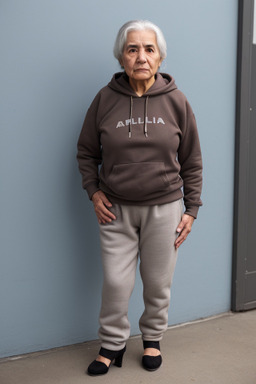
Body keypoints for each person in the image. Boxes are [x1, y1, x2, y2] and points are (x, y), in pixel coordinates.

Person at [77, 20, 203, 376]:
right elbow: (86, 152)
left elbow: (192, 158)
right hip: (115, 209)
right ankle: (112, 344)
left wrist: (191, 208)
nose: (141, 57)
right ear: (121, 56)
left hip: (165, 208)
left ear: (160, 57)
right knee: (117, 282)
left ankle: (152, 339)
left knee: (158, 281)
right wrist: (94, 190)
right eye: (132, 49)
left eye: (149, 49)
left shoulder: (177, 101)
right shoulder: (104, 100)